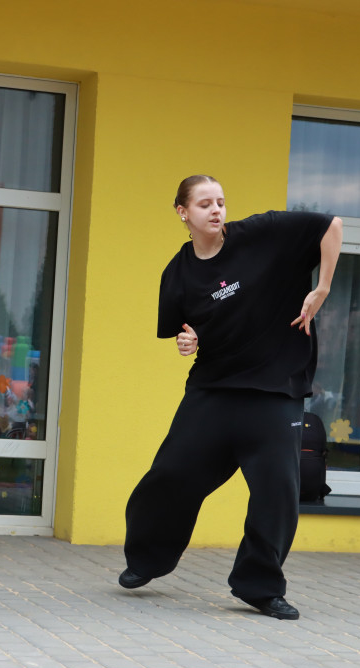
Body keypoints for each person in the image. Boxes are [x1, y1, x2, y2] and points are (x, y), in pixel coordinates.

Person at [118, 174, 342, 620]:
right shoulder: (178, 274)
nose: (216, 210)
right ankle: (146, 559)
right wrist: (189, 342)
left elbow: (331, 225)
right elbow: (192, 330)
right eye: (204, 204)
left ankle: (259, 587)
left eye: (220, 201)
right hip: (213, 391)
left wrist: (323, 287)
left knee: (277, 492)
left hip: (276, 391)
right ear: (183, 213)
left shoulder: (261, 234)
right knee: (168, 477)